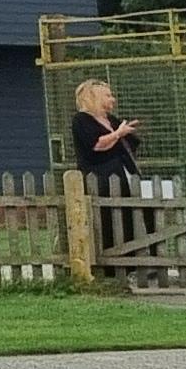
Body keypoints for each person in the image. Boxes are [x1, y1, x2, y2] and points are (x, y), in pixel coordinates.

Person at [68, 79, 143, 256]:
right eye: (108, 95)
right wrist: (117, 134)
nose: (112, 99)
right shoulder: (81, 120)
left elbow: (129, 143)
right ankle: (110, 260)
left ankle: (131, 258)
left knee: (128, 217)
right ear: (93, 98)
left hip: (122, 174)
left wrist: (126, 133)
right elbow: (97, 145)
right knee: (107, 220)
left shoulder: (110, 120)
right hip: (100, 177)